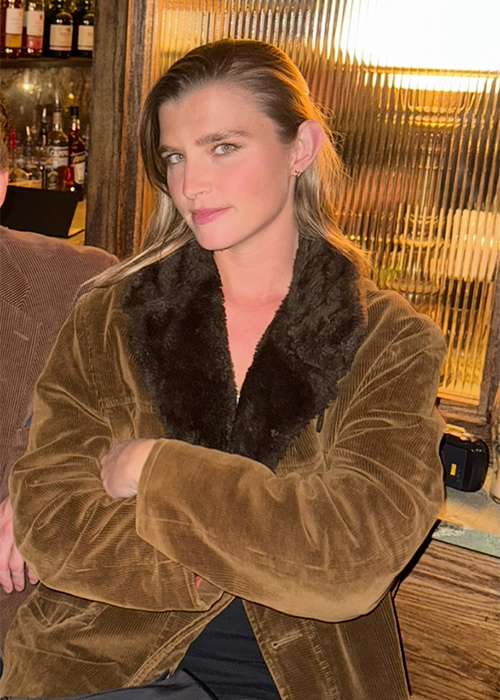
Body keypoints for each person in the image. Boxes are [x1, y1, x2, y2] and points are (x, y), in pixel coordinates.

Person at [0, 39, 446, 700]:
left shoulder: (389, 339)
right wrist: (254, 554)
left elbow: (351, 561)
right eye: (176, 157)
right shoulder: (111, 314)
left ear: (300, 148)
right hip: (96, 669)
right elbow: (50, 518)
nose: (191, 185)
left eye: (224, 147)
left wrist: (152, 466)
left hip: (306, 677)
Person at [0, 93, 117, 660]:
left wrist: (49, 482)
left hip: (26, 647)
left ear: (1, 182)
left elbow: (154, 422)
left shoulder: (81, 286)